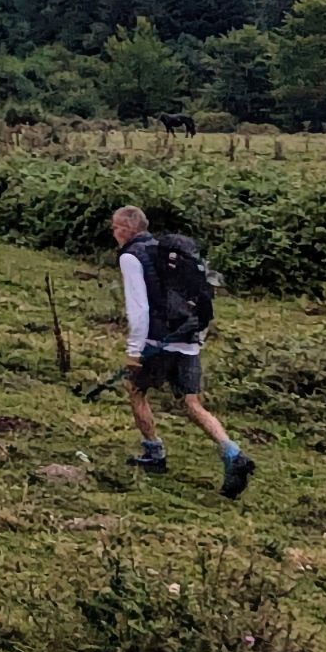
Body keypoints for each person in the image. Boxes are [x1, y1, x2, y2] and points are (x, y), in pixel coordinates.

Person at [110, 205, 255, 500]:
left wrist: (134, 351)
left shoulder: (131, 256)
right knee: (192, 403)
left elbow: (139, 309)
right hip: (188, 338)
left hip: (157, 340)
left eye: (115, 227)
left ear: (128, 229)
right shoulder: (167, 254)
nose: (113, 232)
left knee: (135, 390)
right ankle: (231, 451)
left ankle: (154, 452)